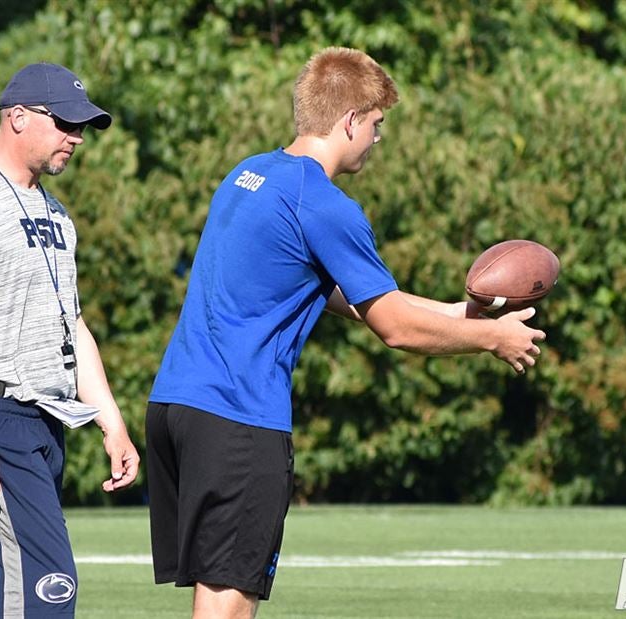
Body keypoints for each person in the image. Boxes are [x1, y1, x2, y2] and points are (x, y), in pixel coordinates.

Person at [144, 47, 547, 618]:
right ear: (350, 120)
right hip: (239, 415)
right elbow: (395, 329)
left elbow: (329, 293)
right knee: (227, 607)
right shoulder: (325, 203)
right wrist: (493, 340)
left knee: (214, 596)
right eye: (377, 125)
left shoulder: (249, 175)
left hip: (177, 407)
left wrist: (462, 314)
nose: (378, 139)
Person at [0, 62, 140, 618]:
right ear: (17, 117)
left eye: (83, 126)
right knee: (46, 593)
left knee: (0, 599)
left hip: (44, 423)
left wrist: (111, 424)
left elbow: (74, 325)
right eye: (65, 122)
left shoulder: (56, 214)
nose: (76, 137)